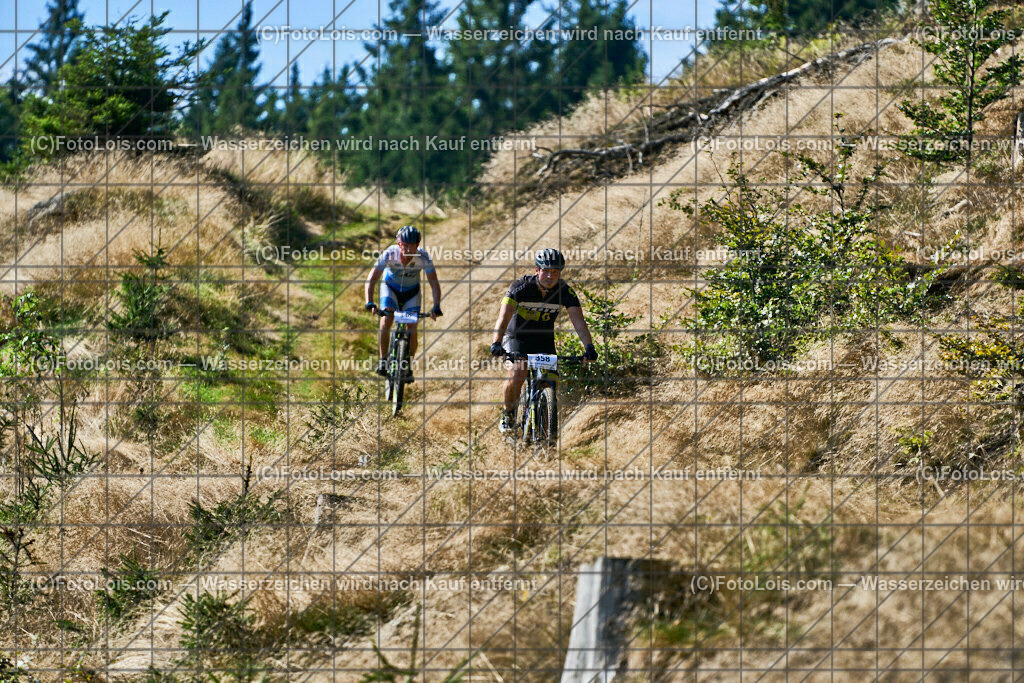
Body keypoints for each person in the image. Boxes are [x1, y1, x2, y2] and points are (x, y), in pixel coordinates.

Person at [489, 248, 597, 433]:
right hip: (517, 338)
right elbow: (503, 318)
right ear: (536, 270)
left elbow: (579, 322)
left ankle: (545, 435)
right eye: (546, 270)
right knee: (518, 373)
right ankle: (508, 414)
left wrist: (589, 347)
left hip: (544, 342)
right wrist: (497, 343)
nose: (550, 275)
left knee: (550, 383)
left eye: (555, 272)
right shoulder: (520, 287)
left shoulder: (565, 292)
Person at [365, 225, 442, 380]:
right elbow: (371, 279)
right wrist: (370, 302)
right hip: (390, 289)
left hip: (411, 294)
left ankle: (407, 366)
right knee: (386, 319)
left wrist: (436, 306)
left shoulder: (423, 257)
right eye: (405, 246)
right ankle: (383, 360)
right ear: (399, 244)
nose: (408, 249)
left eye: (412, 246)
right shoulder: (389, 253)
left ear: (417, 245)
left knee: (411, 328)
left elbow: (434, 283)